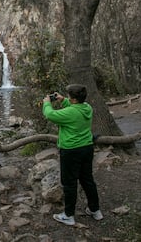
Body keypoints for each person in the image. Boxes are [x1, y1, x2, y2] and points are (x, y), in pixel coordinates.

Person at [42, 84, 103, 226]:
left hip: (71, 151)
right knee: (87, 179)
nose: (68, 98)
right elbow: (75, 106)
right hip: (87, 148)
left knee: (69, 183)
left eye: (69, 96)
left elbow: (49, 114)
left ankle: (68, 215)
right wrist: (63, 100)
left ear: (73, 99)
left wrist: (46, 104)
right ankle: (95, 210)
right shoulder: (87, 107)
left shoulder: (70, 113)